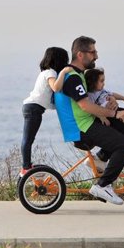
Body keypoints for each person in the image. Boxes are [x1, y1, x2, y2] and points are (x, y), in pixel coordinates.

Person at [54, 36, 124, 205]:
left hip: (89, 122)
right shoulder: (74, 77)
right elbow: (85, 106)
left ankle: (101, 158)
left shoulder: (79, 75)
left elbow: (95, 99)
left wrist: (114, 104)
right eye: (93, 52)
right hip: (82, 128)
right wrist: (114, 115)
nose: (96, 56)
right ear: (80, 54)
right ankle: (103, 185)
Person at [19, 47, 72, 179]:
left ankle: (27, 166)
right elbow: (56, 87)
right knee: (28, 139)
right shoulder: (51, 72)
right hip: (33, 108)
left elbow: (51, 99)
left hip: (33, 108)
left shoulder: (47, 72)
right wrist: (64, 72)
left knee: (29, 138)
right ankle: (26, 168)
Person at [84, 67, 124, 158]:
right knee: (123, 128)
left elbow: (112, 94)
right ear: (93, 82)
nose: (104, 83)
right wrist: (101, 117)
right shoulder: (90, 95)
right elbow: (91, 109)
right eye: (101, 81)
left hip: (115, 110)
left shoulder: (102, 90)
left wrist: (123, 98)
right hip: (108, 116)